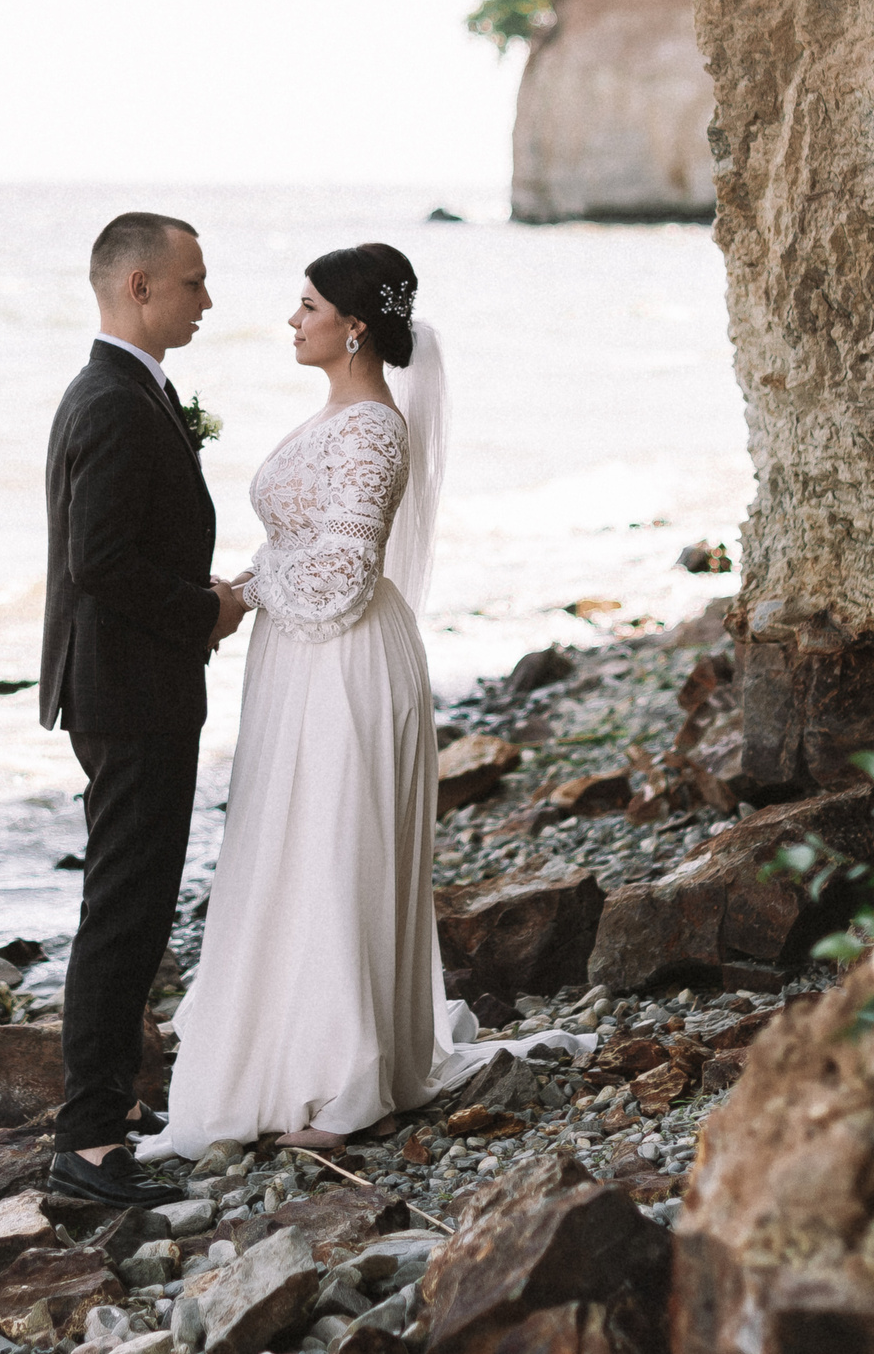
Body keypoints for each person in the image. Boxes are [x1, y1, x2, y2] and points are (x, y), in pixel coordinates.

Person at [146, 242, 583, 1159]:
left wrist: (249, 588)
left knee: (335, 842)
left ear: (353, 326)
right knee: (293, 841)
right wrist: (248, 587)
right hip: (300, 660)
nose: (292, 320)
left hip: (346, 661)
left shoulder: (375, 429)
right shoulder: (335, 418)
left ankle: (353, 1080)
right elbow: (311, 552)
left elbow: (344, 575)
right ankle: (285, 1051)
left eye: (307, 305)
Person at [39, 211, 249, 1208]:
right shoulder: (115, 401)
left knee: (131, 908)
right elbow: (101, 561)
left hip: (131, 684)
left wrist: (189, 588)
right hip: (130, 692)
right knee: (122, 915)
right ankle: (85, 1147)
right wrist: (203, 609)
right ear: (138, 288)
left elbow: (124, 545)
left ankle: (98, 1127)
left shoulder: (127, 392)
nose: (206, 300)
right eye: (194, 282)